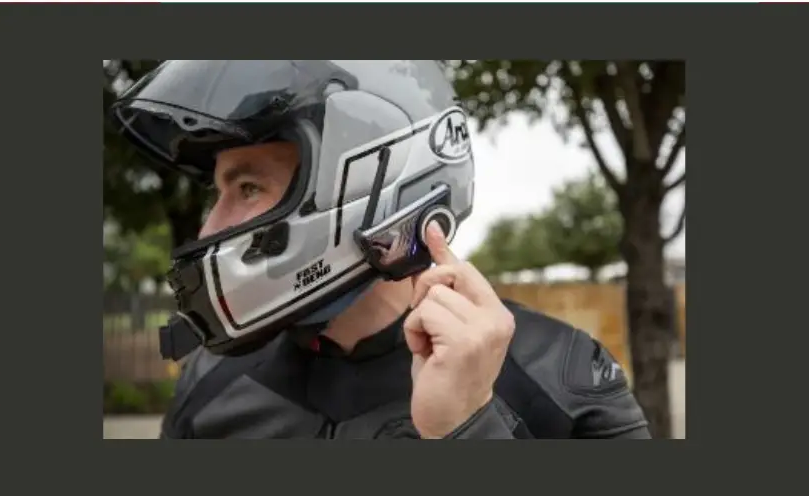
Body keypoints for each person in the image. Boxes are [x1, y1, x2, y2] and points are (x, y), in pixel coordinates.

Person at [108, 60, 651, 439]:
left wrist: (469, 428)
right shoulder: (210, 384)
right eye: (218, 193)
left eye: (249, 188)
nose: (209, 230)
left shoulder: (558, 373)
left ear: (369, 178)